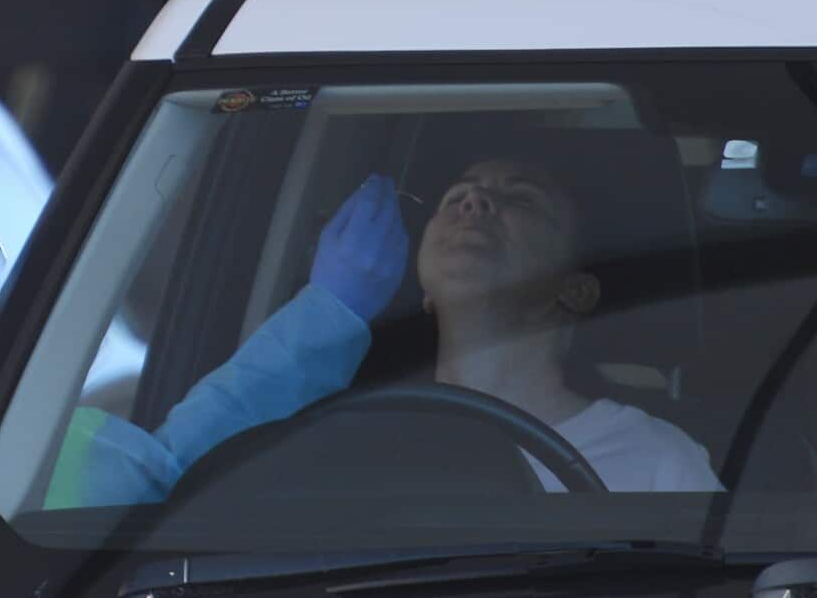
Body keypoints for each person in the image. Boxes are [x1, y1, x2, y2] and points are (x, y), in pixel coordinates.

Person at [50, 147, 721, 507]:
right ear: (422, 291)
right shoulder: (332, 441)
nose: (473, 199)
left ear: (574, 292)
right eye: (461, 190)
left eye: (520, 200)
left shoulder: (659, 459)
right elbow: (174, 495)